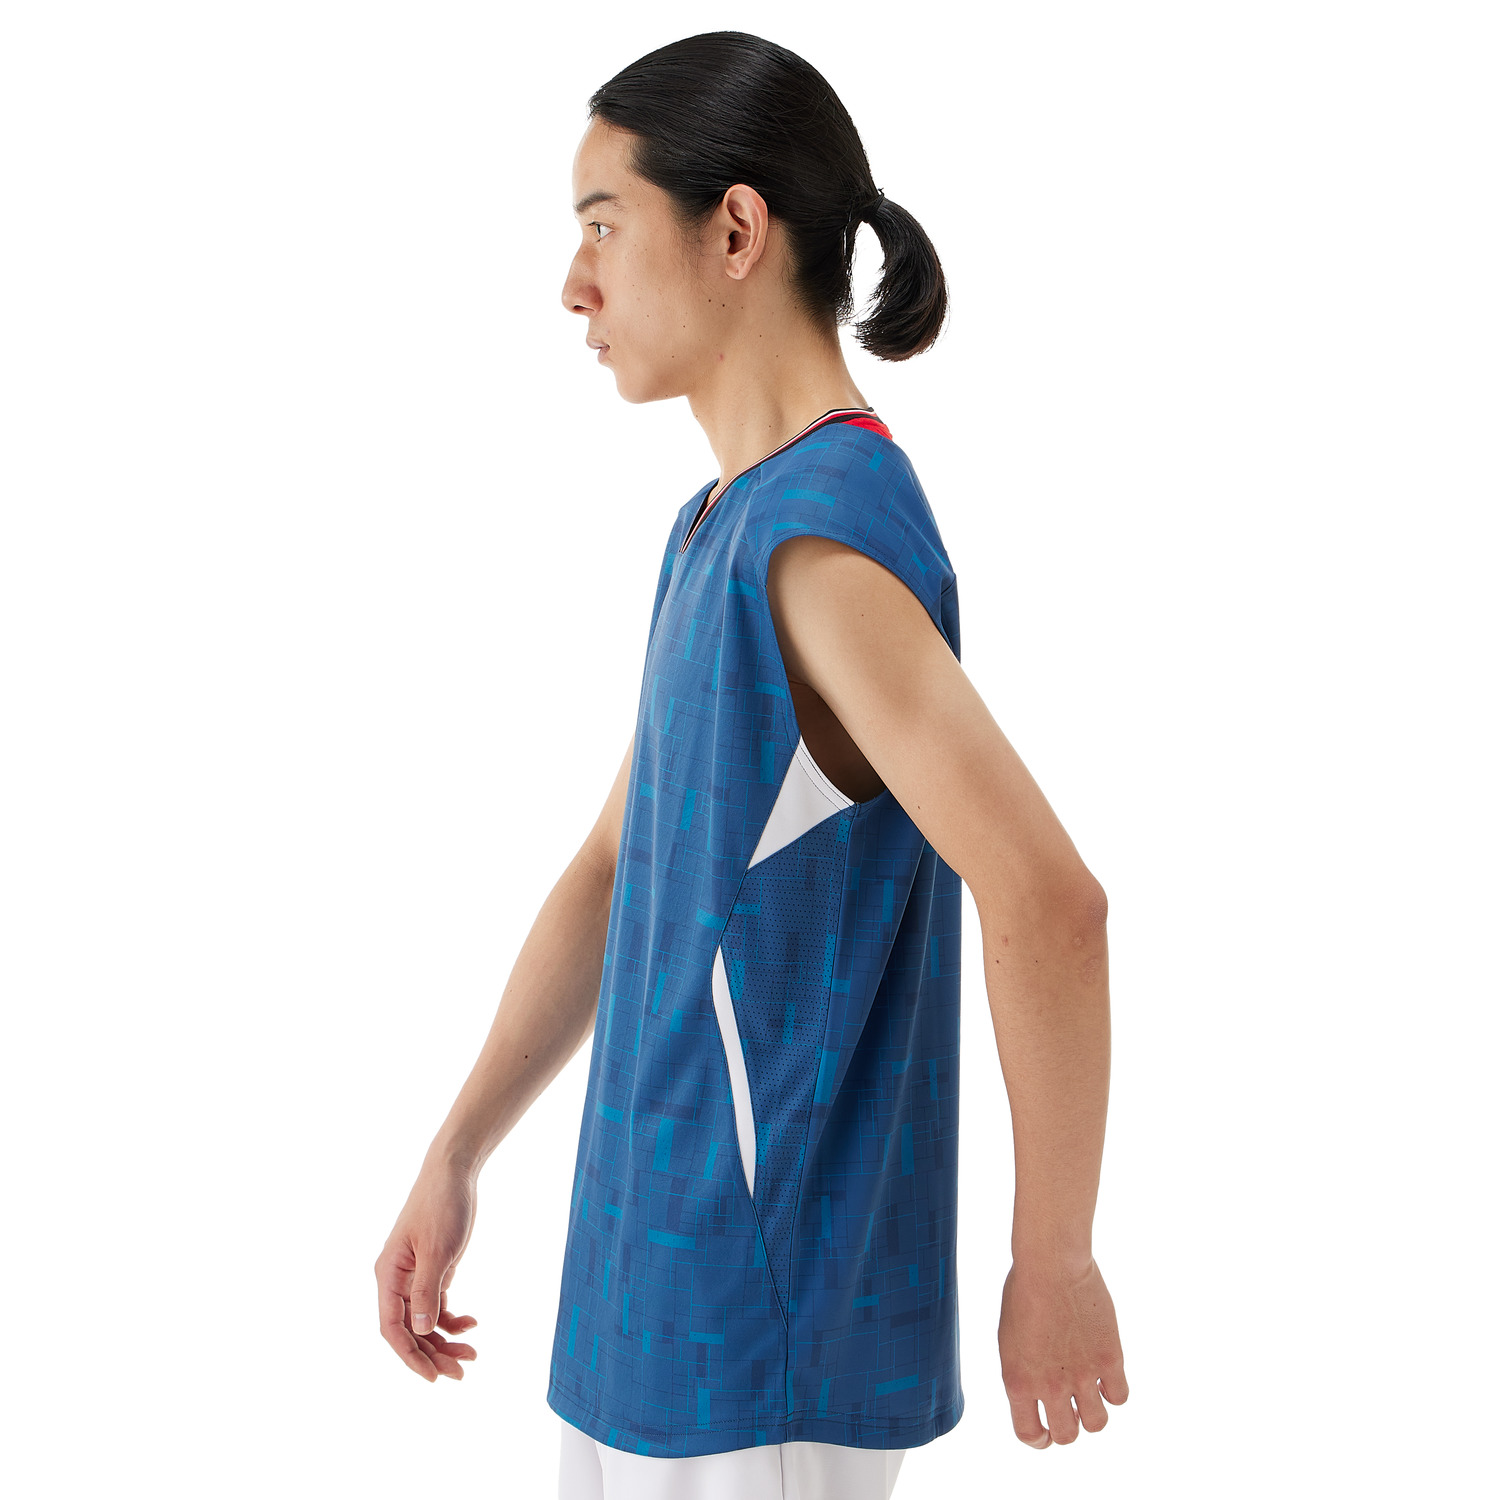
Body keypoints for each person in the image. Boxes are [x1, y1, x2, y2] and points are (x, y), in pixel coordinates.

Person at [375, 31, 1128, 1499]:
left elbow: (1052, 900)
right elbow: (617, 867)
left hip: (761, 1337)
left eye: (603, 226)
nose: (574, 284)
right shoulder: (718, 527)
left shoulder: (819, 542)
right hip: (648, 1307)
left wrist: (1056, 1260)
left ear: (734, 230)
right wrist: (459, 1149)